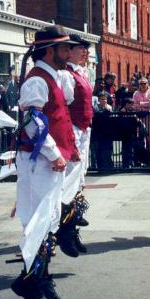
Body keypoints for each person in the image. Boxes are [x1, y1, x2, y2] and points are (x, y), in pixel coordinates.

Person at [11, 26, 79, 299]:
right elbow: (32, 123)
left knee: (48, 220)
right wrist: (53, 153)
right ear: (49, 51)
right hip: (39, 161)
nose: (69, 52)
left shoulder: (51, 77)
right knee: (39, 221)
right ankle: (28, 281)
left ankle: (39, 276)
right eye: (64, 48)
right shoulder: (37, 81)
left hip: (47, 161)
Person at [56, 34, 93, 258]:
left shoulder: (82, 73)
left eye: (87, 49)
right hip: (73, 131)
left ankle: (73, 227)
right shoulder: (65, 75)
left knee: (79, 178)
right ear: (69, 51)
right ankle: (65, 232)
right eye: (82, 48)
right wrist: (71, 138)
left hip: (84, 130)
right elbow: (64, 109)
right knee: (68, 182)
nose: (86, 52)